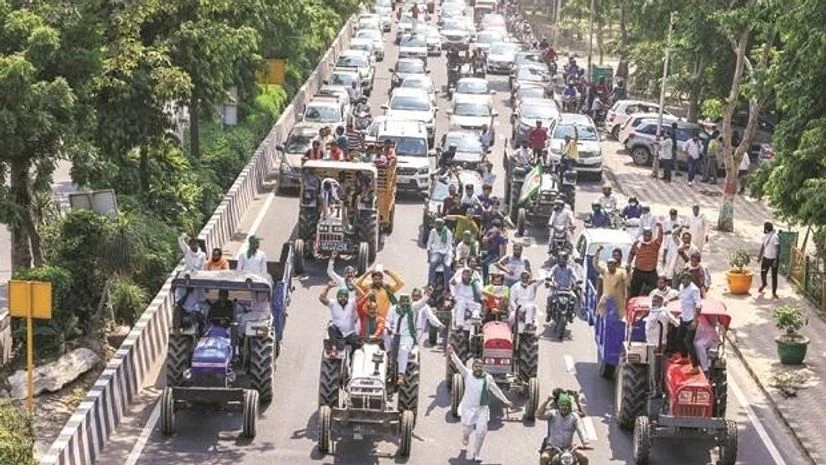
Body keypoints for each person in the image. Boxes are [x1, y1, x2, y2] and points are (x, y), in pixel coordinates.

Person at [447, 349, 513, 463]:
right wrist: (452, 353)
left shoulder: (488, 378)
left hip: (482, 408)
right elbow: (459, 365)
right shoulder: (467, 375)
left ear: (483, 368)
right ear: (473, 367)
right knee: (467, 429)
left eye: (480, 366)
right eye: (476, 366)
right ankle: (465, 437)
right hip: (468, 407)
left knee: (481, 432)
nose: (478, 368)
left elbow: (496, 390)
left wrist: (506, 401)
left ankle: (477, 453)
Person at [537, 394, 591, 465]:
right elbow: (539, 415)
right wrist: (546, 401)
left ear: (569, 406)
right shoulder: (553, 414)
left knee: (584, 458)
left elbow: (581, 429)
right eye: (562, 405)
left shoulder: (574, 416)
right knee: (544, 458)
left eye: (566, 405)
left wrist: (585, 442)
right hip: (553, 447)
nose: (564, 407)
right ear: (559, 405)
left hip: (569, 448)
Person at [385, 294, 421, 385]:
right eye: (403, 303)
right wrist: (388, 327)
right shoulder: (393, 309)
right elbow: (388, 321)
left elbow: (422, 303)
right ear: (399, 302)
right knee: (384, 334)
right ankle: (389, 355)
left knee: (403, 350)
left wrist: (427, 295)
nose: (405, 305)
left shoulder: (412, 309)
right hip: (394, 334)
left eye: (406, 303)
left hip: (407, 336)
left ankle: (401, 375)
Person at [319, 282, 362, 355]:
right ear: (337, 296)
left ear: (347, 297)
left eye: (345, 296)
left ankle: (353, 358)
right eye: (341, 296)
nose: (343, 298)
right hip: (337, 334)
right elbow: (322, 298)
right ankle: (334, 349)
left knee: (359, 346)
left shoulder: (352, 303)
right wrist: (328, 287)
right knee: (331, 328)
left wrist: (354, 285)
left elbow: (361, 295)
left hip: (350, 333)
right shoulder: (333, 303)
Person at [676, 271, 702, 375]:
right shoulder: (681, 287)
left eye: (686, 279)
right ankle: (684, 357)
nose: (684, 281)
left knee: (688, 342)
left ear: (690, 280)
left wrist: (695, 320)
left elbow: (699, 306)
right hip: (683, 317)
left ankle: (695, 367)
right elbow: (679, 296)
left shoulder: (694, 290)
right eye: (683, 279)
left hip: (691, 319)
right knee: (678, 337)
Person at [627, 223, 664, 297]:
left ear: (651, 235)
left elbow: (660, 238)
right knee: (634, 292)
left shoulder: (655, 244)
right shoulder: (638, 243)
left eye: (649, 234)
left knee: (654, 292)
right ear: (643, 234)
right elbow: (631, 253)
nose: (647, 236)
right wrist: (628, 263)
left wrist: (660, 228)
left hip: (651, 272)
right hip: (638, 271)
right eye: (645, 234)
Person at [593, 246, 629, 317]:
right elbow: (596, 265)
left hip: (620, 291)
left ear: (621, 256)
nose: (615, 257)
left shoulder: (624, 267)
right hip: (608, 290)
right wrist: (597, 252)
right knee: (600, 279)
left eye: (617, 255)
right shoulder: (607, 268)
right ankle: (599, 310)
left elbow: (627, 279)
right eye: (614, 255)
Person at [546, 252, 580, 322]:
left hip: (567, 289)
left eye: (564, 259)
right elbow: (550, 273)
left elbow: (574, 275)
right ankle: (549, 313)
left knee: (575, 298)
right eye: (560, 259)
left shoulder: (570, 268)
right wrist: (548, 278)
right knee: (549, 297)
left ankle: (571, 314)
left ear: (566, 259)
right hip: (556, 288)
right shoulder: (555, 267)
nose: (562, 261)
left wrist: (577, 280)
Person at [427, 218, 454, 288]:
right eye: (437, 225)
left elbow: (449, 245)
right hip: (436, 252)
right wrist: (428, 251)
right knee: (432, 264)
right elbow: (429, 242)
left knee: (447, 266)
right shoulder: (433, 231)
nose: (438, 226)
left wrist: (446, 255)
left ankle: (446, 285)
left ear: (443, 225)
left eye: (440, 225)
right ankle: (431, 284)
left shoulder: (448, 232)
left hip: (446, 252)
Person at [758, 221, 780, 299]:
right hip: (766, 258)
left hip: (773, 259)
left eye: (764, 228)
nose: (764, 229)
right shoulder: (765, 236)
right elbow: (762, 247)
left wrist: (776, 260)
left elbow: (777, 249)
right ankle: (764, 283)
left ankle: (774, 292)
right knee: (763, 272)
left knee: (774, 276)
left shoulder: (775, 237)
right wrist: (759, 257)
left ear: (767, 229)